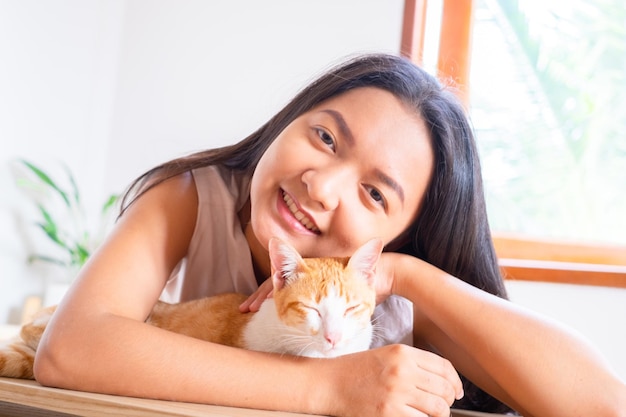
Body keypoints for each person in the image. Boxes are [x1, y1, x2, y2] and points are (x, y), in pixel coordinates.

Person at [34, 54, 626, 417]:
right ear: (291, 117)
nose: (321, 186)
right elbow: (70, 350)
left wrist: (403, 274)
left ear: (399, 235)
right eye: (325, 137)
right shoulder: (192, 198)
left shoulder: (392, 290)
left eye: (375, 194)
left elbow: (603, 407)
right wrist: (327, 388)